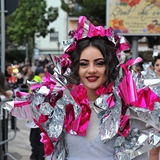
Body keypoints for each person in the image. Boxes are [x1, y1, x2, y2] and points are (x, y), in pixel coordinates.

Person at [4, 16, 160, 160]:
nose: (91, 70)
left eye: (99, 63)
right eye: (84, 64)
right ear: (76, 68)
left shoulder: (128, 111)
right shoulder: (62, 107)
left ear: (110, 66)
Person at [29, 66, 45, 160]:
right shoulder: (39, 82)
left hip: (34, 114)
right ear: (40, 73)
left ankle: (36, 155)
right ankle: (38, 156)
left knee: (34, 137)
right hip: (39, 114)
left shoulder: (34, 81)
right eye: (43, 73)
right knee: (39, 138)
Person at [149, 54, 160, 160]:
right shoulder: (148, 83)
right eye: (157, 65)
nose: (159, 68)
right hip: (155, 121)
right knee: (154, 151)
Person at [0, 72, 13, 159]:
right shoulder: (5, 93)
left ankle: (3, 155)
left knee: (3, 139)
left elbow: (9, 101)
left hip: (3, 118)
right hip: (2, 118)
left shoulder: (5, 92)